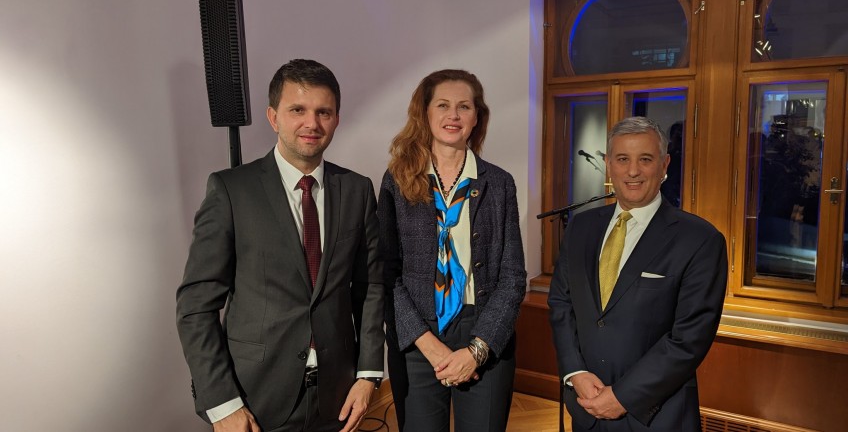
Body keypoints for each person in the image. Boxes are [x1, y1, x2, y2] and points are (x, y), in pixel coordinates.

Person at [176, 59, 384, 432]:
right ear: (274, 117)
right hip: (254, 399)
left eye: (324, 112)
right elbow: (195, 306)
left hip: (337, 396)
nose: (312, 123)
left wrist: (368, 375)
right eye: (297, 110)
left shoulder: (357, 190)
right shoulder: (230, 191)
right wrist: (222, 403)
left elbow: (369, 289)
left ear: (336, 118)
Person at [548, 116, 727, 431]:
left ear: (664, 164)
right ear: (608, 165)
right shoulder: (581, 228)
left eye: (645, 159)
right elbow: (561, 305)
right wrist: (575, 373)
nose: (632, 171)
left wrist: (622, 396)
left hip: (656, 415)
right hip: (585, 406)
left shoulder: (700, 240)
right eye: (622, 159)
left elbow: (688, 340)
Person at [377, 69, 527, 432]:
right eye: (443, 105)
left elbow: (512, 277)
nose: (454, 116)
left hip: (483, 331)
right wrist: (428, 344)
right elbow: (386, 275)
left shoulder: (499, 183)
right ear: (425, 114)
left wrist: (478, 349)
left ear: (478, 117)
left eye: (464, 106)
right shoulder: (397, 181)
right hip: (418, 335)